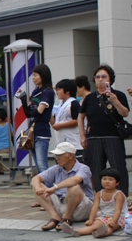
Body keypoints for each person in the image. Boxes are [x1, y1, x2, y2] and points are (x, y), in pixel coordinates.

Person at [78, 64, 129, 197]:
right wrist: (82, 135)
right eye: (97, 77)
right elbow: (81, 116)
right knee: (96, 169)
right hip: (93, 137)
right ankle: (101, 198)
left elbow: (125, 113)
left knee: (118, 167)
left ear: (110, 79)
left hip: (113, 136)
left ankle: (122, 197)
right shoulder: (90, 98)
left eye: (104, 77)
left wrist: (115, 102)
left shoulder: (118, 95)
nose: (100, 79)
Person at [31, 142, 94, 231]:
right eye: (56, 156)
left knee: (74, 187)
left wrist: (55, 187)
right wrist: (38, 187)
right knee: (38, 184)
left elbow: (76, 180)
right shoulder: (56, 168)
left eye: (60, 156)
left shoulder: (83, 168)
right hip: (62, 205)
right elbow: (36, 178)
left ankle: (67, 218)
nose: (57, 159)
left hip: (82, 207)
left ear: (71, 156)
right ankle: (55, 217)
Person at [60, 168, 126, 238]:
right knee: (94, 225)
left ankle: (102, 233)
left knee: (109, 227)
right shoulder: (99, 194)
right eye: (104, 179)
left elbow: (118, 210)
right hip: (104, 217)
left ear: (117, 182)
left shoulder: (119, 194)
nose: (107, 181)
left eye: (110, 179)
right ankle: (77, 231)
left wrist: (113, 221)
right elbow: (94, 208)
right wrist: (91, 219)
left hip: (118, 218)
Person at [17, 63, 54, 173]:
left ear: (43, 75)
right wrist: (23, 99)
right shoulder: (35, 92)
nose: (33, 78)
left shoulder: (48, 92)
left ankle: (50, 188)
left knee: (42, 165)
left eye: (35, 75)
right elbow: (28, 113)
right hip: (33, 132)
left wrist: (29, 107)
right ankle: (44, 189)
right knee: (38, 166)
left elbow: (38, 112)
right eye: (32, 75)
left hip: (42, 132)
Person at [51, 79, 82, 161]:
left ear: (67, 92)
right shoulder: (59, 106)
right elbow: (54, 124)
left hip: (73, 142)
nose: (57, 92)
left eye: (59, 90)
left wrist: (61, 125)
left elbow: (78, 121)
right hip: (60, 143)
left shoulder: (74, 104)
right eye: (56, 90)